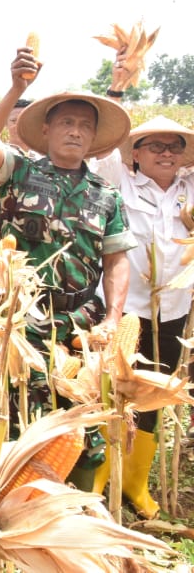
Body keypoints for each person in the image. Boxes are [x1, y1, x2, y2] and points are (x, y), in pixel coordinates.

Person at [0, 46, 135, 487]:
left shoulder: (106, 195)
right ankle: (8, 513)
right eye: (66, 122)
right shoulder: (19, 172)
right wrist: (16, 89)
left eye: (85, 125)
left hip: (80, 324)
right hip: (19, 321)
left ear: (94, 137)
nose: (76, 132)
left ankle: (73, 512)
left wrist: (114, 317)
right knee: (13, 420)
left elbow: (116, 260)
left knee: (83, 428)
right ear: (46, 128)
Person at [88, 109, 194, 519]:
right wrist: (119, 87)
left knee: (151, 396)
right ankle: (99, 475)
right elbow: (108, 145)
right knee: (111, 388)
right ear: (136, 152)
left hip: (172, 311)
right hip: (126, 309)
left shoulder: (190, 186)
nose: (166, 153)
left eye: (175, 146)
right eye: (155, 146)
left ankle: (135, 482)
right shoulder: (120, 181)